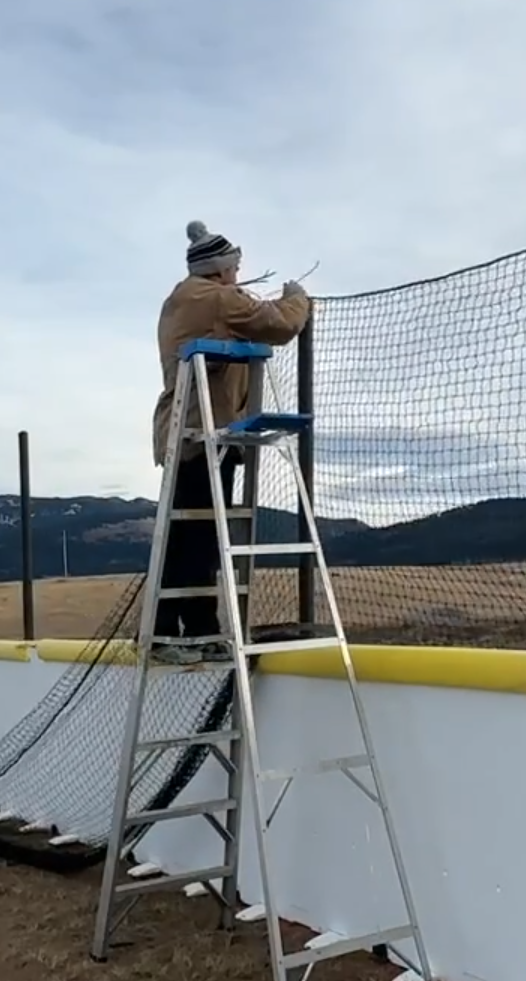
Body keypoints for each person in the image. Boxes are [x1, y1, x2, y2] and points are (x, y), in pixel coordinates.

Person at [149, 220, 311, 664]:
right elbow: (276, 325)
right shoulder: (217, 299)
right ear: (220, 271)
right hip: (207, 430)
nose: (239, 274)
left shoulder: (182, 298)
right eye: (235, 267)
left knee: (188, 536)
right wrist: (297, 298)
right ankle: (197, 633)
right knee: (200, 535)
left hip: (184, 430)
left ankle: (174, 632)